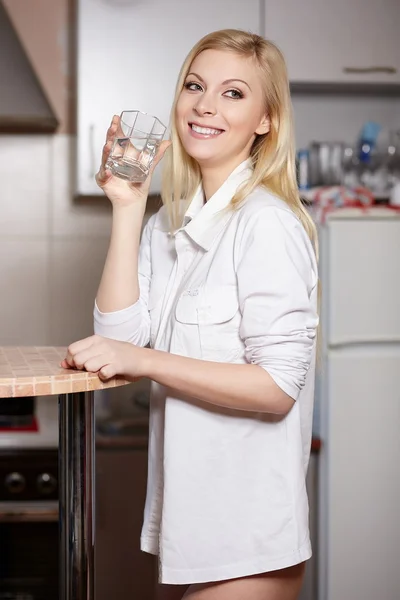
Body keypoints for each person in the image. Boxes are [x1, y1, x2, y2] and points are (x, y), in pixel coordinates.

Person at [62, 28, 319, 600]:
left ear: (265, 120)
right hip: (186, 530)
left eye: (233, 93)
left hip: (247, 538)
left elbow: (277, 387)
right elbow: (119, 341)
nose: (205, 104)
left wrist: (146, 359)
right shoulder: (168, 227)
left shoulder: (266, 224)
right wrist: (128, 210)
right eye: (195, 86)